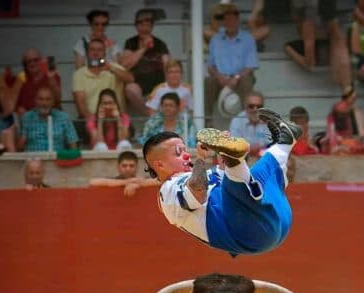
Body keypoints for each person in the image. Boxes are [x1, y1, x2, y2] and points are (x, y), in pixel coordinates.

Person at [142, 107, 301, 257]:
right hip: (245, 233)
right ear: (159, 164)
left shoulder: (207, 173)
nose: (186, 156)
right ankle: (239, 154)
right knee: (249, 177)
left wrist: (223, 154)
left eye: (185, 150)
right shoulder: (166, 193)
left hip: (278, 222)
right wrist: (203, 158)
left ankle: (285, 139)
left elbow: (242, 179)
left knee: (258, 176)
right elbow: (197, 193)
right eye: (178, 153)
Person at [205, 4, 259, 130]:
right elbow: (210, 66)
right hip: (220, 77)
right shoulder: (215, 40)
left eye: (232, 19)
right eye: (227, 19)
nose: (230, 22)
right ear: (223, 21)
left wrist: (236, 77)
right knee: (208, 82)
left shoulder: (248, 39)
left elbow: (251, 66)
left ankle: (249, 121)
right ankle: (207, 121)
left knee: (246, 81)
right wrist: (219, 76)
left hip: (241, 76)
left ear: (238, 20)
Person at [121, 9, 170, 116]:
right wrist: (143, 48)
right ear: (137, 26)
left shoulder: (160, 44)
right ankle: (150, 115)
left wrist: (166, 87)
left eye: (148, 24)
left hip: (157, 85)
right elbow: (125, 65)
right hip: (139, 86)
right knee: (130, 88)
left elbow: (167, 67)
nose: (145, 27)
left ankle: (151, 115)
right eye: (141, 24)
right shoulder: (131, 43)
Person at [73, 39, 135, 121]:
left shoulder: (113, 67)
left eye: (99, 50)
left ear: (105, 53)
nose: (95, 53)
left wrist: (111, 68)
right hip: (92, 120)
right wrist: (94, 123)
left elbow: (131, 79)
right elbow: (81, 106)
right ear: (87, 53)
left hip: (116, 119)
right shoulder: (79, 74)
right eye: (92, 50)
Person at [18, 86, 79, 152]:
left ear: (53, 101)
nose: (44, 103)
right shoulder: (27, 117)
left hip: (56, 159)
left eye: (48, 99)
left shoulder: (64, 117)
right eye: (41, 99)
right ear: (35, 101)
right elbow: (20, 146)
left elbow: (73, 143)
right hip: (33, 159)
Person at [322, 88, 364, 155]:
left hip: (352, 141)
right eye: (352, 98)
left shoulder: (357, 112)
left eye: (354, 99)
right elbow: (332, 133)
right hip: (341, 141)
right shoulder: (336, 112)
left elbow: (363, 133)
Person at [16, 49, 62, 116]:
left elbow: (57, 99)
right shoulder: (20, 79)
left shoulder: (52, 76)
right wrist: (20, 110)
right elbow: (17, 106)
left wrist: (51, 78)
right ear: (25, 65)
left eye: (35, 60)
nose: (32, 63)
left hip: (52, 118)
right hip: (30, 120)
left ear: (41, 60)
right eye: (28, 61)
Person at [229, 92, 273, 160]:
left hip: (263, 156)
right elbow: (235, 143)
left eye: (259, 107)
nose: (255, 109)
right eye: (251, 106)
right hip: (242, 157)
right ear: (245, 107)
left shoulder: (269, 121)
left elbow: (271, 143)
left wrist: (259, 150)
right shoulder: (237, 120)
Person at [90, 151, 154, 196]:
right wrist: (127, 182)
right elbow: (92, 182)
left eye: (131, 166)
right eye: (124, 166)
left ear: (137, 167)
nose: (128, 169)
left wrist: (139, 185)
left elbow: (160, 181)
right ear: (118, 167)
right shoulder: (113, 181)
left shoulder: (142, 180)